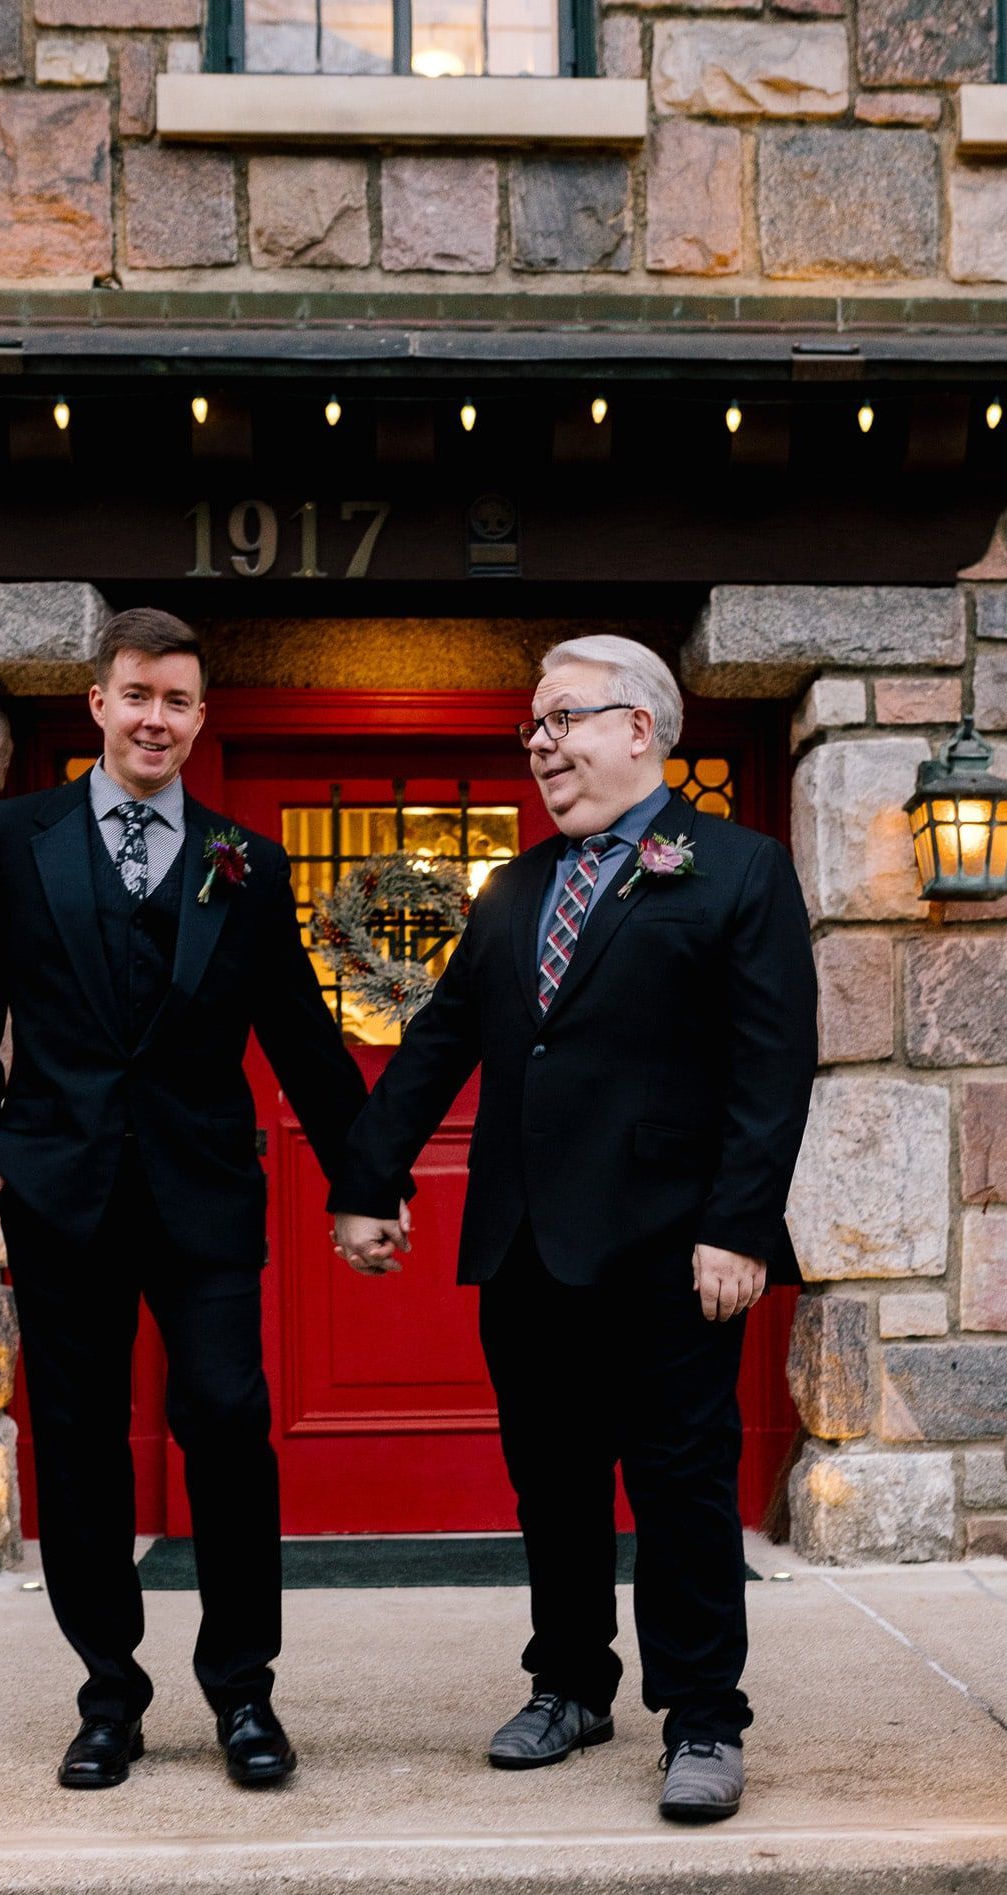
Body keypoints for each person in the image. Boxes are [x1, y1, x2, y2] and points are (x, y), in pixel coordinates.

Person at [330, 635, 817, 1823]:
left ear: (639, 729)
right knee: (551, 1480)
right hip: (526, 1240)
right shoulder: (511, 886)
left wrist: (740, 1225)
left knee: (683, 1485)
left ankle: (702, 1713)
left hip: (672, 1245)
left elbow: (773, 1064)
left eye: (561, 720)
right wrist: (366, 1173)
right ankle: (570, 1683)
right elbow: (442, 1037)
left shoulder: (737, 868)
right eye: (531, 728)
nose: (539, 743)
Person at [0, 606, 378, 1792]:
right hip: (59, 1190)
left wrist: (365, 1171)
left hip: (204, 1193)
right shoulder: (10, 837)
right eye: (138, 694)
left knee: (228, 1421)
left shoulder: (244, 857)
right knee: (78, 1447)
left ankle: (243, 1691)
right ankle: (108, 1695)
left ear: (199, 716)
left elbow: (295, 1026)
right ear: (98, 702)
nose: (156, 719)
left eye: (178, 701)